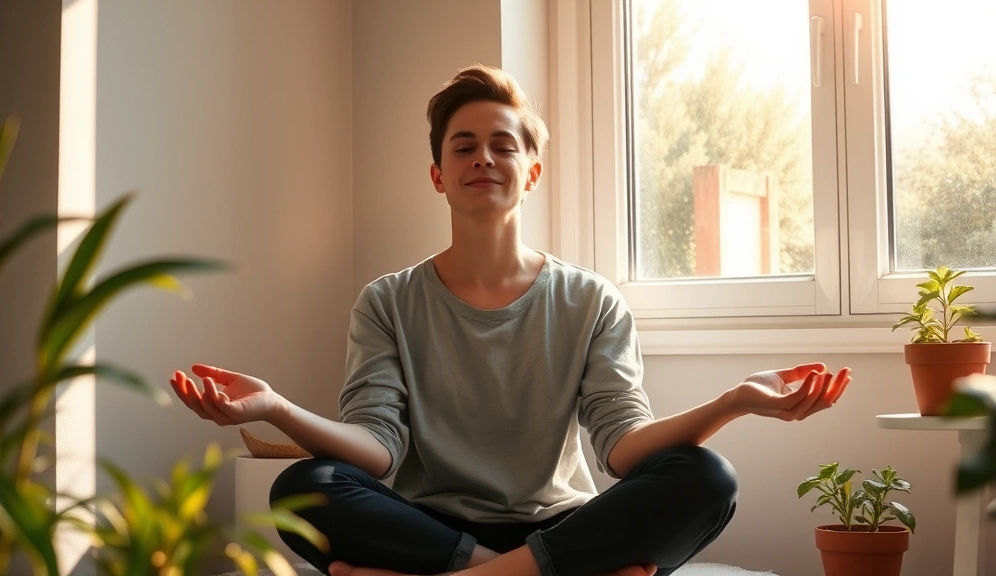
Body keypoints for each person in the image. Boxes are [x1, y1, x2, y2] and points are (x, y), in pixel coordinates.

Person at [169, 64, 851, 576]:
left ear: (532, 172)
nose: (483, 158)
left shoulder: (589, 299)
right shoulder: (388, 301)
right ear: (438, 175)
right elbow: (377, 451)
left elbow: (621, 447)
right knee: (304, 487)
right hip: (431, 522)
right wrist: (278, 408)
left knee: (709, 480)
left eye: (502, 144)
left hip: (558, 522)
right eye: (463, 146)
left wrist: (734, 401)